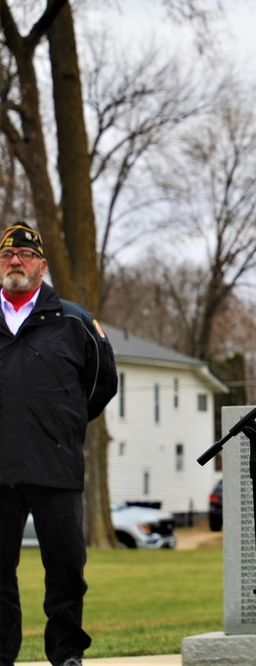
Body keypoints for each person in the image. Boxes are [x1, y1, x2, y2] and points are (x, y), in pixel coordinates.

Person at [0, 222, 117, 666]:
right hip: (0, 471)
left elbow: (102, 383)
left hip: (56, 466)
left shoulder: (75, 321)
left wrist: (63, 423)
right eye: (8, 255)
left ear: (42, 266)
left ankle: (66, 653)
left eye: (26, 256)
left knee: (66, 569)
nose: (16, 262)